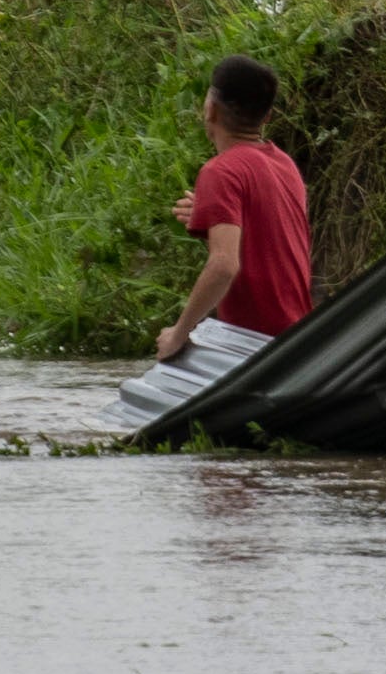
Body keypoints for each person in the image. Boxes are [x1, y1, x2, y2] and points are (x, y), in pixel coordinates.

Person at [108, 54, 315, 431]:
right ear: (267, 117)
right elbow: (275, 232)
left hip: (250, 343)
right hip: (296, 341)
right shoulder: (284, 164)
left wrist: (179, 333)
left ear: (210, 109)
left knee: (128, 418)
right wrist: (210, 214)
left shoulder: (221, 171)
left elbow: (224, 266)